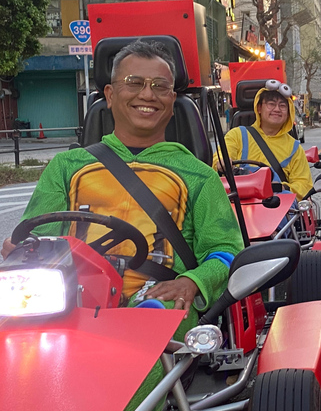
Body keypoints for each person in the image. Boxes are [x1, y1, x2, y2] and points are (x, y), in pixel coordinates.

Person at [3, 40, 244, 410]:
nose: (148, 94)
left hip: (153, 307)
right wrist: (20, 251)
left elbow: (226, 251)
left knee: (113, 394)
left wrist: (191, 281)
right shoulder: (67, 167)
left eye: (160, 86)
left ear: (173, 100)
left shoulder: (198, 176)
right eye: (134, 82)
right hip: (64, 304)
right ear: (110, 94)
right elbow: (34, 236)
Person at [213, 81, 312, 199]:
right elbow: (219, 158)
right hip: (240, 205)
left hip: (277, 206)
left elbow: (304, 184)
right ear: (259, 108)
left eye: (282, 106)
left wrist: (281, 187)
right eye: (271, 104)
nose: (277, 109)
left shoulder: (294, 148)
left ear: (289, 112)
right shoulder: (237, 135)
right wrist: (222, 163)